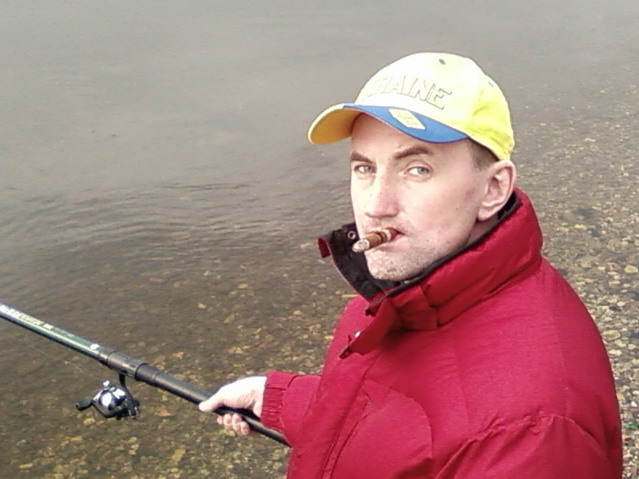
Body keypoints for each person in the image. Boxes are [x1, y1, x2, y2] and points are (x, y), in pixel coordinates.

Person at [199, 52, 623, 478]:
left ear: (494, 189)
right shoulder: (413, 297)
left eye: (417, 169)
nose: (375, 206)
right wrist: (277, 398)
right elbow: (409, 415)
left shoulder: (532, 433)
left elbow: (468, 417)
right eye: (365, 168)